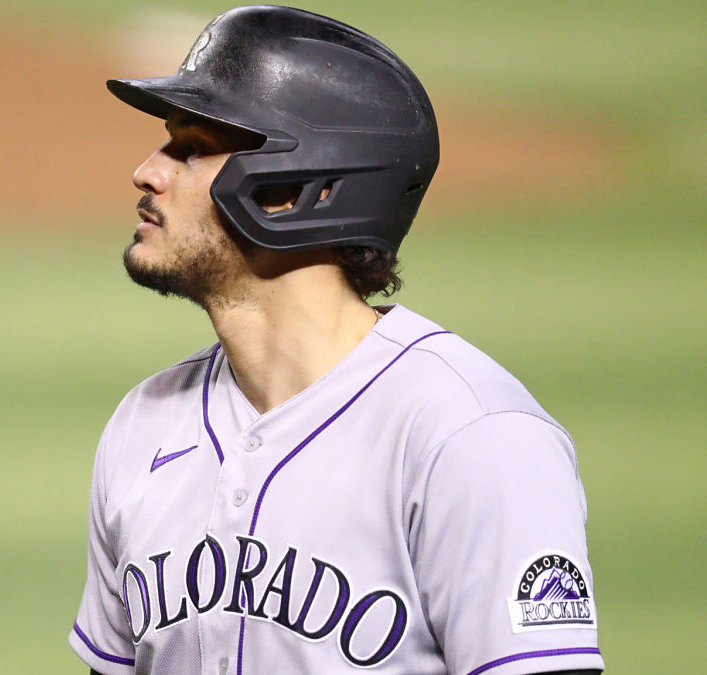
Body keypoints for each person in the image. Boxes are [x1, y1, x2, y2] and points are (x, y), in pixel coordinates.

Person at [68, 6, 603, 675]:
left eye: (194, 147)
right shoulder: (142, 425)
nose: (148, 172)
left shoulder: (470, 434)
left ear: (295, 190)